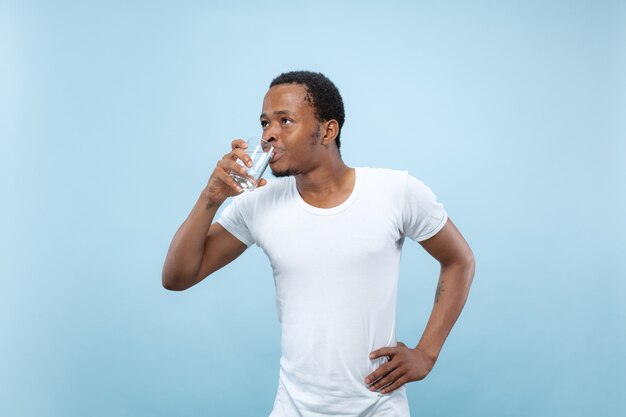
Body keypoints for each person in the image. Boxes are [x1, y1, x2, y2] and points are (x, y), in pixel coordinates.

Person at [162, 71, 475, 416]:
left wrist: (426, 354)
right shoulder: (257, 203)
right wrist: (210, 198)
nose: (269, 135)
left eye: (285, 121)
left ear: (328, 130)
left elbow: (459, 260)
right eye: (265, 122)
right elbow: (177, 277)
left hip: (378, 408)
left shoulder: (396, 192)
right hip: (293, 408)